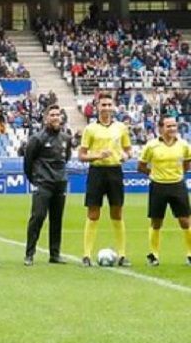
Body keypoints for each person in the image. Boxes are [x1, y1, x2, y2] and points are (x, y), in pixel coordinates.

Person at [79, 92, 132, 267]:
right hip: (97, 171)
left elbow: (128, 150)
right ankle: (86, 255)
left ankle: (122, 254)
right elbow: (81, 155)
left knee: (117, 212)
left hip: (115, 171)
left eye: (109, 104)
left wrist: (125, 156)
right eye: (104, 105)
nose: (107, 108)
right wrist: (97, 155)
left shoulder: (121, 128)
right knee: (93, 213)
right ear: (97, 107)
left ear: (113, 106)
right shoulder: (90, 129)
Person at [137, 115, 191, 267]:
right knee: (156, 222)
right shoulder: (151, 145)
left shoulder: (184, 145)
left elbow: (187, 164)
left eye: (174, 126)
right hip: (158, 186)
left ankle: (190, 254)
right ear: (160, 128)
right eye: (169, 126)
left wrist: (177, 174)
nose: (172, 129)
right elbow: (141, 166)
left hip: (178, 185)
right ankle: (154, 255)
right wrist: (154, 175)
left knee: (185, 221)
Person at [23, 105, 71, 265]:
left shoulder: (66, 139)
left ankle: (55, 254)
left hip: (60, 184)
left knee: (57, 220)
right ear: (46, 118)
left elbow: (66, 158)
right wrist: (36, 179)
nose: (56, 117)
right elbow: (27, 162)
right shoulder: (37, 139)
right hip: (43, 184)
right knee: (38, 217)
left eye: (58, 114)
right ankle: (29, 254)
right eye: (52, 115)